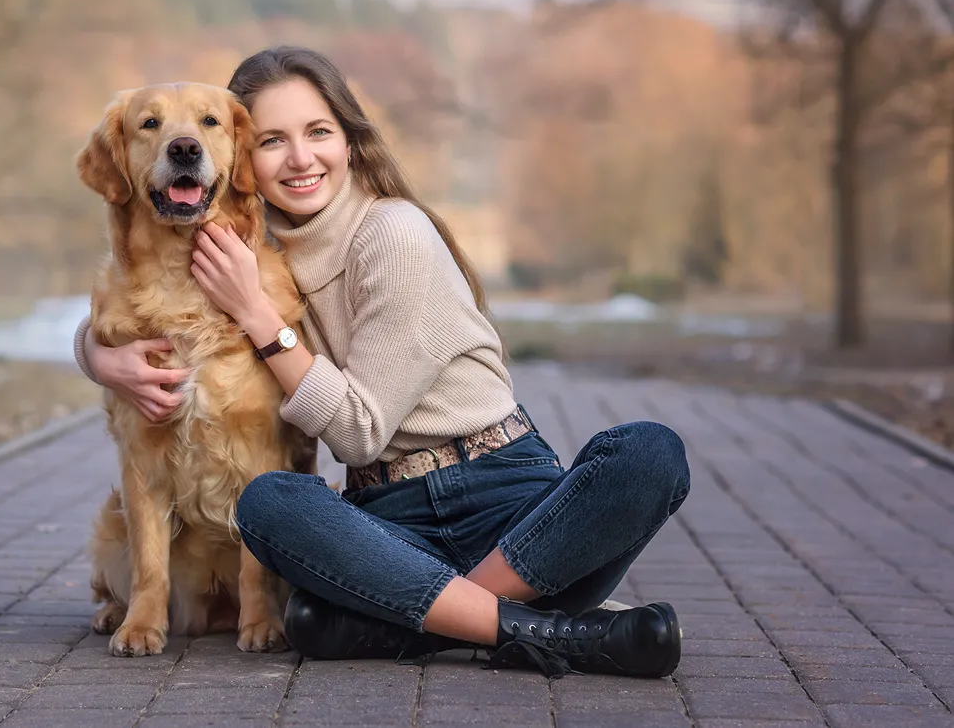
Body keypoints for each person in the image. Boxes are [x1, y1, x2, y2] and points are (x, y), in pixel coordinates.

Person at [74, 45, 691, 679]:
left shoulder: (394, 234)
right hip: (388, 518)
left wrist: (256, 313)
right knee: (272, 505)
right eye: (274, 140)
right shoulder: (258, 246)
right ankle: (540, 625)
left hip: (504, 498)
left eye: (319, 132)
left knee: (650, 453)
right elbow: (146, 301)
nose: (300, 158)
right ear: (243, 156)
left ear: (349, 141)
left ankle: (455, 618)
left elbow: (359, 434)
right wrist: (99, 356)